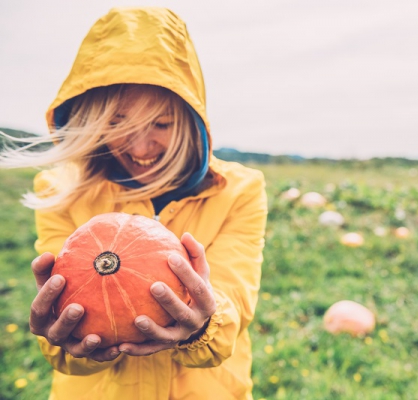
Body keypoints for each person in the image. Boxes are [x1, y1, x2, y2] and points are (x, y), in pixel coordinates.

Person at [0, 7, 267, 399]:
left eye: (161, 123)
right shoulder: (61, 191)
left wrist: (204, 323)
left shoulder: (236, 190)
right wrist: (64, 341)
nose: (141, 148)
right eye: (118, 124)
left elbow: (234, 307)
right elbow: (65, 336)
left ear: (191, 118)